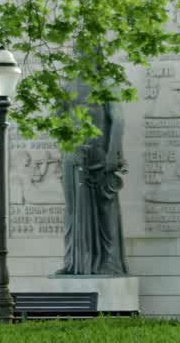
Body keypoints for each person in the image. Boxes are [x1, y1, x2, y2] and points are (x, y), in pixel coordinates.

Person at [56, 80, 129, 276]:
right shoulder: (67, 86)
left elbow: (118, 120)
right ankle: (74, 263)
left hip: (100, 158)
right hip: (73, 156)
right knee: (72, 213)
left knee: (105, 211)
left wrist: (113, 153)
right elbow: (58, 121)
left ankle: (110, 263)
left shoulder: (107, 84)